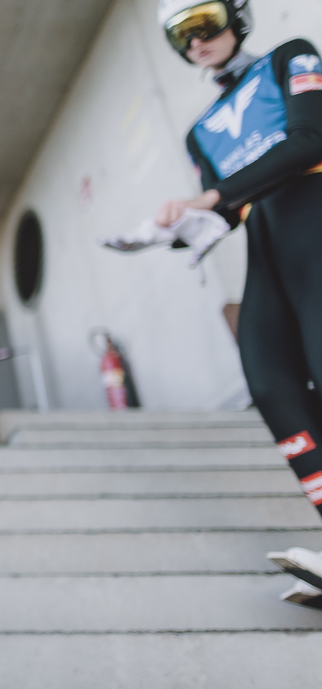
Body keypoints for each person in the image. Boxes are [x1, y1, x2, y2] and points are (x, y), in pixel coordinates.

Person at [151, 0, 322, 606]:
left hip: (314, 214)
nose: (197, 41)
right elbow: (221, 210)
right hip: (265, 242)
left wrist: (214, 197)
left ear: (237, 16)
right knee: (270, 382)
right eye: (181, 34)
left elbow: (308, 142)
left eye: (206, 21)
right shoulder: (199, 130)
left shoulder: (291, 55)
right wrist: (171, 229)